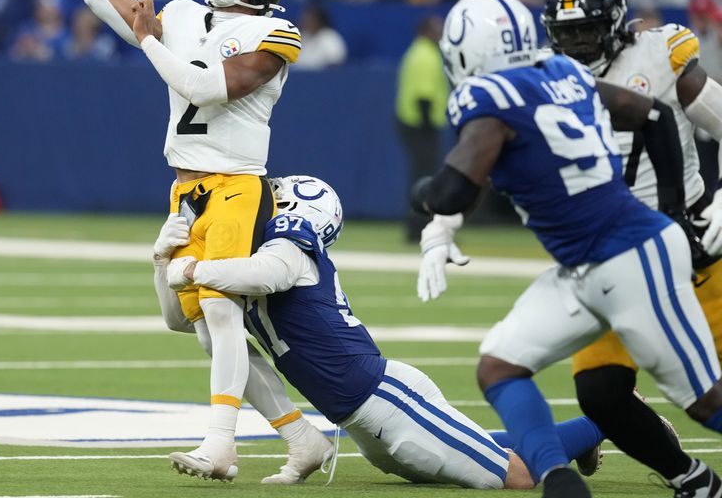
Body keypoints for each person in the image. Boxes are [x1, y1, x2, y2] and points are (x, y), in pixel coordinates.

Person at [412, 0, 722, 498]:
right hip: (583, 265)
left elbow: (453, 188)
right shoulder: (566, 74)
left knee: (706, 403)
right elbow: (653, 116)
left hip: (628, 255)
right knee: (500, 366)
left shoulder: (487, 98)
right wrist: (672, 210)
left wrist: (424, 198)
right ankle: (559, 479)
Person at [77, 0, 331, 483]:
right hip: (186, 187)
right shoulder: (186, 15)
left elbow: (204, 88)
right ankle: (302, 437)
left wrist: (145, 39)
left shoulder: (275, 33)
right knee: (198, 328)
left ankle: (221, 447)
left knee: (219, 305)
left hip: (238, 183)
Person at [158, 174, 605, 489]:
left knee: (516, 477)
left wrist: (196, 266)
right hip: (358, 420)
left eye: (275, 195)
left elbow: (265, 275)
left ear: (292, 208)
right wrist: (162, 261)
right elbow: (184, 320)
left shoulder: (289, 246)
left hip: (389, 401)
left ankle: (608, 419)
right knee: (474, 449)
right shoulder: (245, 262)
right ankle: (577, 436)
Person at [542, 0, 722, 496]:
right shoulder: (543, 79)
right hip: (612, 264)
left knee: (712, 397)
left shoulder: (658, 56)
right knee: (599, 393)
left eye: (586, 30)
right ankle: (692, 480)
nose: (576, 44)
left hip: (691, 252)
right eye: (566, 33)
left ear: (615, 22)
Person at [395, 15, 450, 242]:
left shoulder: (417, 52)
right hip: (421, 124)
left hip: (413, 123)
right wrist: (428, 126)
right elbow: (424, 96)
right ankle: (420, 227)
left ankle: (419, 226)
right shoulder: (426, 56)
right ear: (425, 31)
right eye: (436, 29)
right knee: (424, 178)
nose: (440, 34)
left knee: (421, 176)